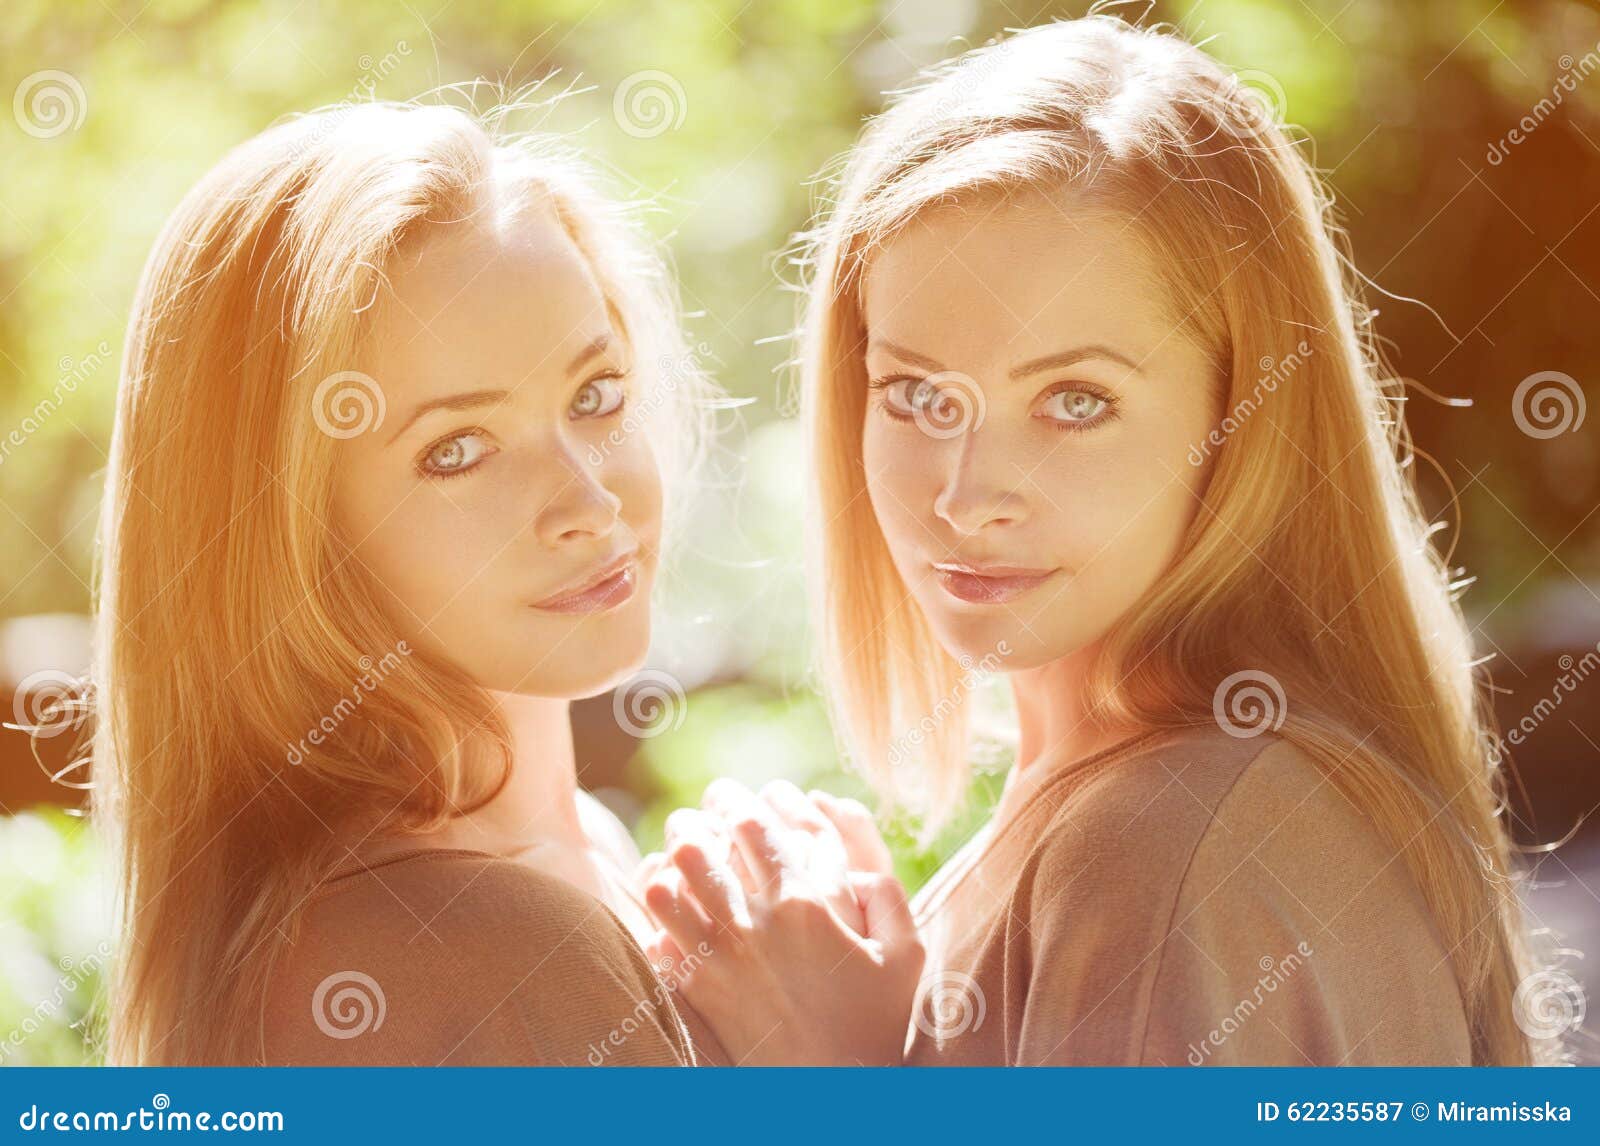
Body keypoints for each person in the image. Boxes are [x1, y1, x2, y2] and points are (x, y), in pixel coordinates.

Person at [641, 15, 1544, 1067]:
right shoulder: (1174, 803)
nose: (967, 495)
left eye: (1075, 400)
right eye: (917, 393)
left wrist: (835, 1073)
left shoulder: (1165, 847)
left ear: (1243, 414)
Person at [93, 98, 710, 1065]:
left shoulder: (569, 858)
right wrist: (847, 1049)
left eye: (596, 395)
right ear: (291, 539)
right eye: (457, 449)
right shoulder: (487, 947)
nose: (589, 502)